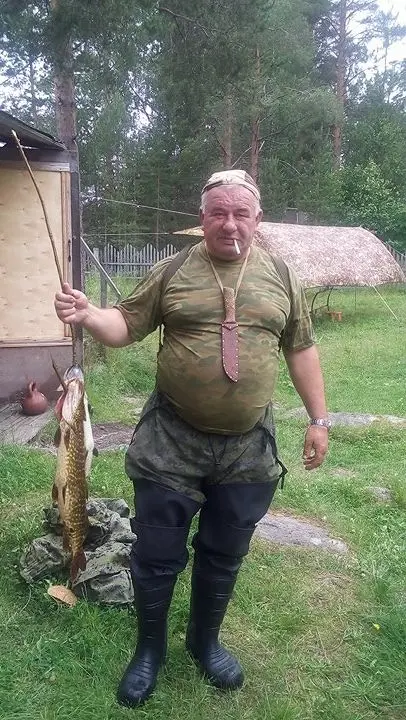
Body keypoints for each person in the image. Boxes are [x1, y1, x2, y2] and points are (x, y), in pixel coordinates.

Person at [54, 169, 330, 708]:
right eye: (218, 213)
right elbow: (126, 326)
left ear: (257, 218)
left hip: (248, 446)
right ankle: (149, 651)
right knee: (156, 553)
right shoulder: (173, 270)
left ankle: (205, 643)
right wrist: (89, 314)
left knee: (224, 552)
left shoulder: (281, 275)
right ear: (201, 218)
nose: (230, 224)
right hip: (171, 442)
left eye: (241, 213)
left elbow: (301, 348)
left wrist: (319, 419)